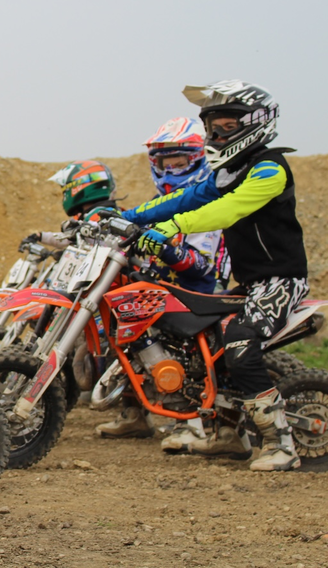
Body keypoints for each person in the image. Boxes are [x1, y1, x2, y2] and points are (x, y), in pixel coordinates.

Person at [122, 80, 308, 471]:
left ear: (255, 124)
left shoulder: (270, 169)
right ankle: (228, 435)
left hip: (281, 281)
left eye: (227, 126)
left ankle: (281, 444)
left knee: (240, 341)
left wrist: (174, 227)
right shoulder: (227, 171)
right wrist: (128, 216)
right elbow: (184, 197)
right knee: (210, 346)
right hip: (251, 283)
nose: (217, 136)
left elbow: (229, 209)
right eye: (212, 127)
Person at [96, 118, 231, 444]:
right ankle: (134, 414)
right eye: (163, 164)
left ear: (197, 161)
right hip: (165, 292)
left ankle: (192, 423)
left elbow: (201, 267)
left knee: (188, 355)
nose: (170, 172)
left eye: (179, 164)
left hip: (201, 295)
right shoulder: (161, 207)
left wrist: (163, 247)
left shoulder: (207, 208)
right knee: (118, 324)